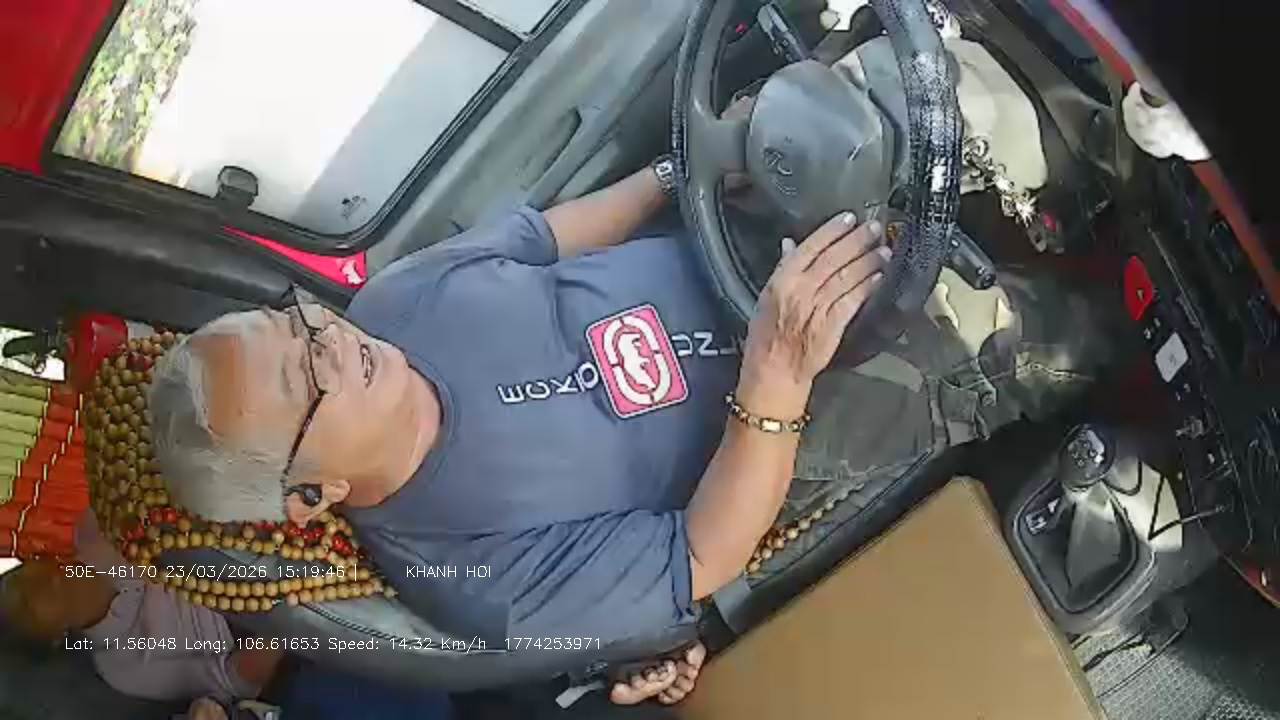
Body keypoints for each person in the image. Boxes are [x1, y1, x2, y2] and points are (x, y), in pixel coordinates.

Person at [144, 152, 1106, 690]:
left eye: (298, 321)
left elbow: (550, 236)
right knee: (1070, 329)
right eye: (304, 380)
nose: (331, 341)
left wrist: (687, 167)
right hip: (817, 402)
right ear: (312, 495)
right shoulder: (472, 581)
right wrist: (778, 369)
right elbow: (702, 556)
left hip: (743, 245)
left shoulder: (395, 299)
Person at [0, 510, 284, 703]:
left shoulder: (94, 527)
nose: (31, 586)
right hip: (264, 622)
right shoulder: (121, 667)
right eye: (25, 605)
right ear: (54, 636)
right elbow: (237, 677)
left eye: (19, 576)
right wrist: (287, 611)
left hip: (243, 523)